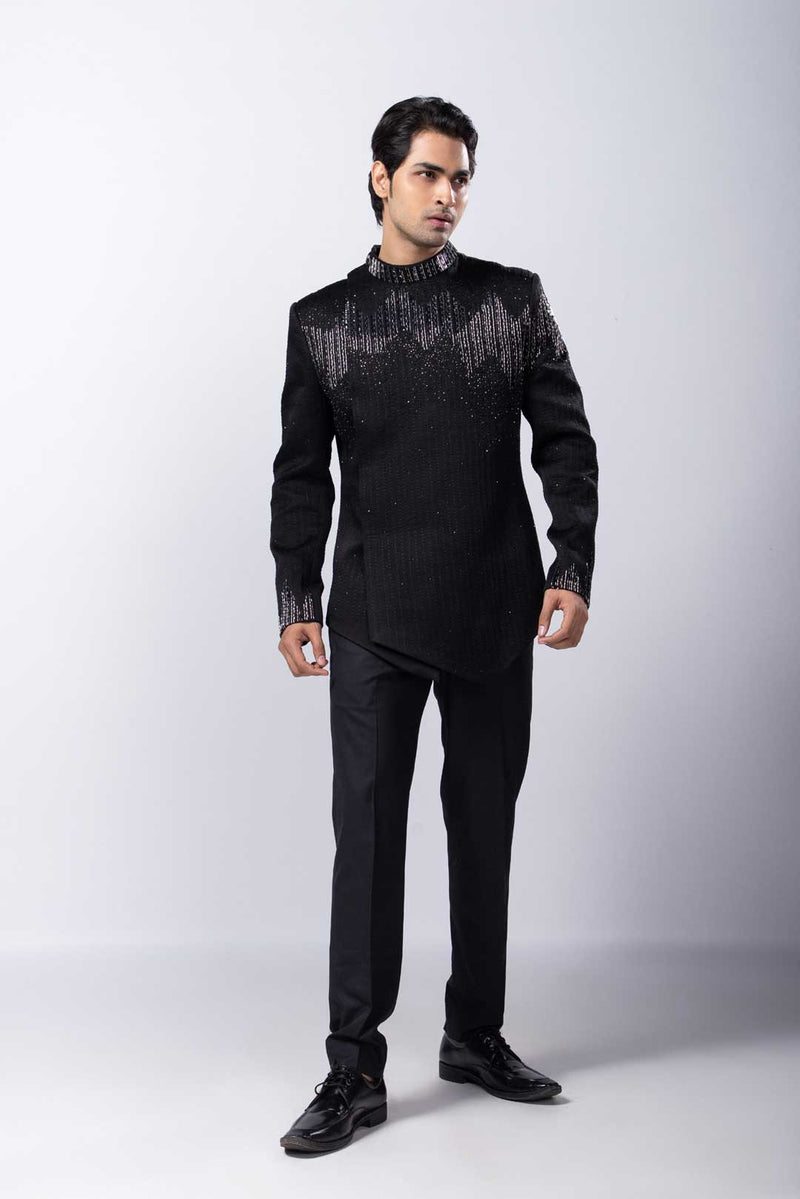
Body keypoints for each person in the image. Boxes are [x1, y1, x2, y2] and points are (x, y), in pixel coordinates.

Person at [270, 95, 599, 1155]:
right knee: (366, 838)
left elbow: (565, 440)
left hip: (495, 603)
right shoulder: (322, 321)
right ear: (381, 178)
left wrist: (572, 562)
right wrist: (296, 594)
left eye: (460, 177)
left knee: (483, 826)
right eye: (427, 173)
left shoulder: (510, 301)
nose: (448, 194)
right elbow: (300, 475)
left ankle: (474, 1034)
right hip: (372, 610)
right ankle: (352, 1066)